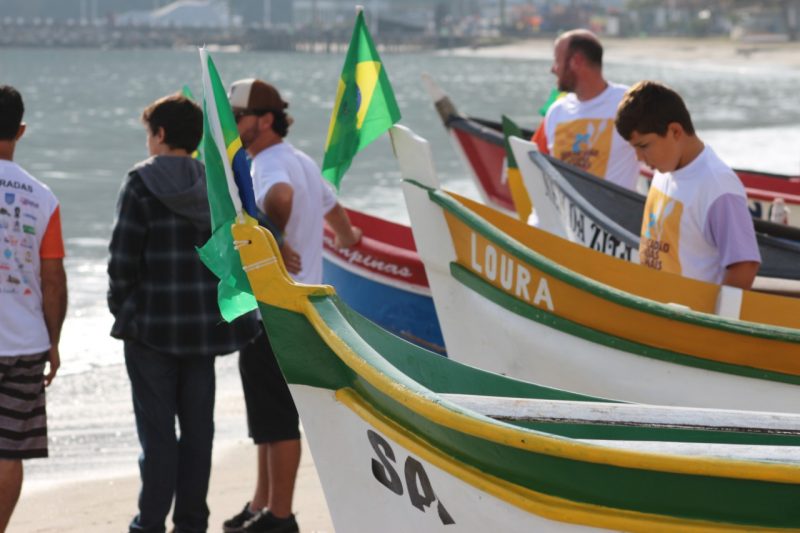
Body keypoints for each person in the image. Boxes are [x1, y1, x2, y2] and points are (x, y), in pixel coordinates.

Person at [108, 93, 260, 533]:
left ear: (159, 135)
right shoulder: (216, 185)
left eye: (149, 134)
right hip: (202, 332)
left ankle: (149, 523)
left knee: (157, 437)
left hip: (152, 331)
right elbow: (232, 254)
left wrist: (126, 311)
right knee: (199, 433)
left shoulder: (139, 182)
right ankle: (192, 522)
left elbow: (122, 261)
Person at [222, 78, 361, 533]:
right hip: (299, 308)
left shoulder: (265, 162)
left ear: (264, 120)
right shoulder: (300, 159)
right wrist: (346, 240)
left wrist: (273, 237)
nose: (234, 124)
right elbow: (337, 215)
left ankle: (280, 515)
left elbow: (279, 197)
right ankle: (262, 503)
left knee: (276, 419)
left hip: (276, 310)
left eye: (238, 117)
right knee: (266, 416)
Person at [615, 80, 761, 289]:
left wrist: (711, 321)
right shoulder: (664, 169)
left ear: (675, 131)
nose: (638, 157)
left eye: (644, 146)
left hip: (688, 318)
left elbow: (744, 265)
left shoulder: (717, 185)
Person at [0, 85, 67, 533]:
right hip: (24, 342)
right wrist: (54, 341)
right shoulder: (42, 198)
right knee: (9, 451)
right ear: (20, 131)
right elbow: (53, 278)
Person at [532, 29, 640, 191]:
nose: (553, 69)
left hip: (610, 216)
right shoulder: (555, 111)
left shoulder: (630, 103)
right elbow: (539, 172)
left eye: (557, 61)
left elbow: (666, 155)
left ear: (576, 61)